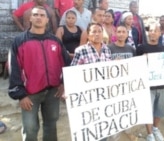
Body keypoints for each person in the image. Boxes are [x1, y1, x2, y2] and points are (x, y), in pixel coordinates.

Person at [8, 6, 71, 141]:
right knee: (30, 129)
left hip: (53, 92)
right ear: (30, 18)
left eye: (42, 15)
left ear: (47, 20)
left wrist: (63, 84)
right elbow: (14, 69)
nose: (39, 18)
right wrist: (20, 94)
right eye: (36, 15)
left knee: (51, 125)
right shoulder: (19, 41)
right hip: (30, 94)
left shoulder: (55, 41)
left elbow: (66, 64)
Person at [71, 22, 111, 141]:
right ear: (88, 35)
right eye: (94, 31)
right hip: (88, 96)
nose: (97, 34)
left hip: (104, 95)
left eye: (99, 31)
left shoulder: (107, 50)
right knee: (89, 127)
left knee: (103, 125)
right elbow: (73, 73)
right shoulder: (81, 51)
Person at [136, 23, 164, 141]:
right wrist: (141, 59)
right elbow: (135, 66)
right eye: (151, 31)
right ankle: (149, 134)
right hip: (147, 86)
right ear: (148, 33)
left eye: (156, 31)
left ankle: (155, 128)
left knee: (159, 110)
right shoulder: (141, 48)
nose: (153, 33)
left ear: (160, 33)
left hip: (162, 85)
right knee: (147, 110)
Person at [107, 24, 137, 141]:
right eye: (118, 32)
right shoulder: (109, 48)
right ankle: (114, 136)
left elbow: (135, 66)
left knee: (126, 108)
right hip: (113, 85)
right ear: (115, 34)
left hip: (127, 85)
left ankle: (127, 129)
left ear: (127, 34)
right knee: (114, 109)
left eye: (123, 32)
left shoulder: (131, 49)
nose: (120, 34)